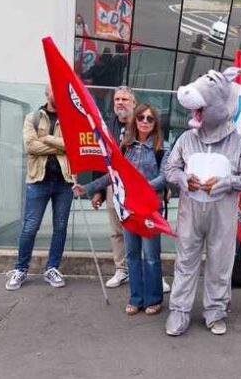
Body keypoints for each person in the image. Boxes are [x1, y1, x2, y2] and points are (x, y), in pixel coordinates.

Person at [165, 68, 241, 336]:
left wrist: (225, 182)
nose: (197, 112)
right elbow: (170, 169)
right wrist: (184, 179)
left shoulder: (239, 143)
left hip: (223, 216)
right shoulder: (186, 138)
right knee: (185, 262)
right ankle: (179, 310)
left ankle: (215, 311)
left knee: (220, 263)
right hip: (190, 213)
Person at [74, 104, 169, 315]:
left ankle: (154, 298)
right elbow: (112, 175)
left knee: (151, 256)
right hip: (127, 210)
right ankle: (136, 298)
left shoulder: (162, 148)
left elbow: (165, 177)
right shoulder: (125, 147)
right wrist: (88, 188)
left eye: (150, 118)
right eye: (141, 117)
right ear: (135, 120)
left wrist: (140, 188)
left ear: (155, 124)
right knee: (133, 255)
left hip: (150, 210)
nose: (145, 121)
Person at [5, 85, 73, 291]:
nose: (59, 95)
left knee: (60, 228)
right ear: (48, 93)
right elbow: (31, 146)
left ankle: (52, 268)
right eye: (55, 91)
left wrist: (47, 139)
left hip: (64, 181)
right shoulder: (32, 118)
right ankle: (21, 269)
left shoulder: (71, 118)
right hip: (38, 180)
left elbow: (73, 145)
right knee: (30, 227)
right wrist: (60, 145)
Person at [91, 86, 135, 288]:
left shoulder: (144, 123)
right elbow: (101, 160)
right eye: (117, 99)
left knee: (142, 229)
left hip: (137, 187)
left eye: (125, 99)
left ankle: (146, 270)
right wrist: (98, 191)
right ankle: (121, 270)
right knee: (116, 231)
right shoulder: (107, 127)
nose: (120, 102)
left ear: (133, 102)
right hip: (112, 186)